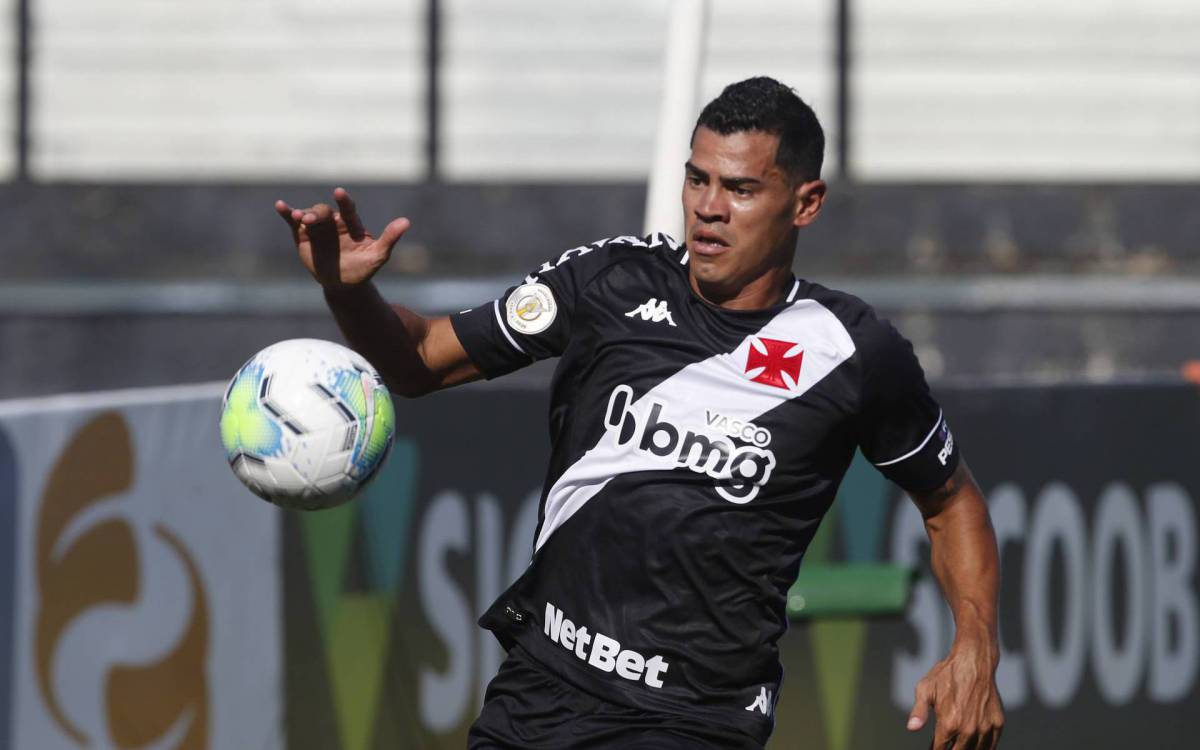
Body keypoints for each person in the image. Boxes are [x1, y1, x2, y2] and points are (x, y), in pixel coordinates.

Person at [276, 77, 1004, 750]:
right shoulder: (610, 280)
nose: (709, 208)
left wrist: (975, 645)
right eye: (698, 179)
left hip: (692, 720)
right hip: (539, 695)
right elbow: (423, 360)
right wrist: (348, 293)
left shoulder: (851, 350)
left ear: (805, 203)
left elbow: (951, 502)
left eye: (741, 189)